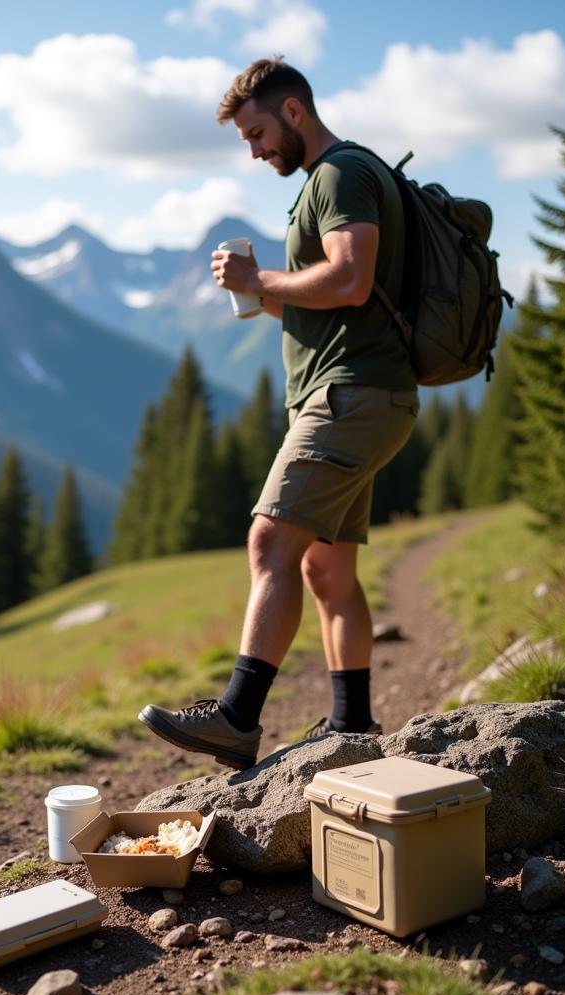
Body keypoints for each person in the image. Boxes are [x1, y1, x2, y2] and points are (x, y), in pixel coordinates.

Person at [139, 57, 419, 771]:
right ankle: (353, 725)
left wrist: (261, 277)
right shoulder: (329, 182)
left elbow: (352, 279)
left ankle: (237, 717)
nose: (256, 151)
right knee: (327, 570)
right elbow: (334, 294)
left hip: (350, 396)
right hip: (362, 394)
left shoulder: (339, 176)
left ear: (294, 112)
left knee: (269, 545)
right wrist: (255, 291)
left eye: (258, 133)